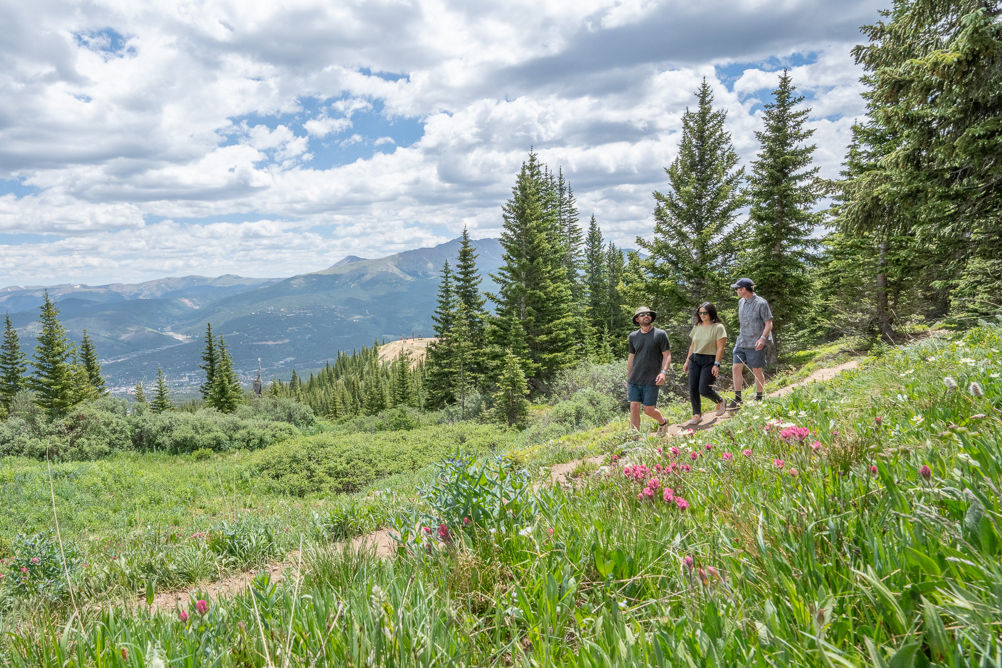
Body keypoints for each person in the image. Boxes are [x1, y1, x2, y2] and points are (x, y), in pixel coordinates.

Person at [728, 278, 773, 408]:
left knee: (757, 370)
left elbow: (769, 323)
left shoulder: (761, 303)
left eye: (737, 288)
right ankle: (737, 398)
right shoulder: (741, 302)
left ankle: (759, 397)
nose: (736, 290)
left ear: (743, 289)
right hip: (741, 341)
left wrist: (762, 339)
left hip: (756, 342)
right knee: (736, 368)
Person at [626, 306, 671, 434]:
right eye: (642, 315)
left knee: (648, 410)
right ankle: (635, 438)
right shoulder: (633, 336)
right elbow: (631, 357)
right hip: (635, 378)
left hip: (652, 379)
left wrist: (663, 372)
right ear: (637, 319)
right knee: (634, 407)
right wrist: (628, 377)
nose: (646, 316)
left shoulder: (660, 334)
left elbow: (667, 355)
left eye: (648, 314)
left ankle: (663, 422)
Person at [681, 302, 727, 426]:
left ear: (711, 313)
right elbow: (693, 345)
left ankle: (721, 401)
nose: (702, 315)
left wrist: (716, 364)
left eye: (704, 313)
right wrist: (687, 361)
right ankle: (697, 415)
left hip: (710, 360)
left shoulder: (718, 327)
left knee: (704, 389)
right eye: (700, 313)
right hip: (695, 359)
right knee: (693, 388)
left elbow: (720, 348)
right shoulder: (697, 326)